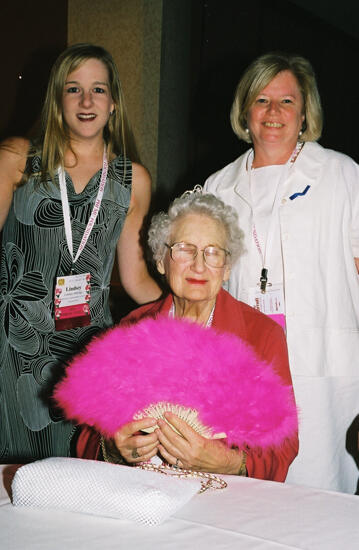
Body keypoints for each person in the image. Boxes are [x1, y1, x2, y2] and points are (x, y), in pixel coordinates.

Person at [203, 52, 359, 493]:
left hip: (324, 361)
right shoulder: (218, 186)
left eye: (286, 101)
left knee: (323, 489)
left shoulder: (342, 174)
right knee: (252, 487)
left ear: (305, 112)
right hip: (247, 362)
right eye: (262, 100)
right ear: (245, 112)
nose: (273, 113)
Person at [0, 43, 161, 463]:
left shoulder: (132, 179)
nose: (87, 101)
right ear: (57, 99)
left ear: (113, 103)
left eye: (99, 90)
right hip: (14, 347)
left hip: (89, 353)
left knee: (80, 478)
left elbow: (134, 277)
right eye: (74, 89)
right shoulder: (18, 159)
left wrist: (193, 311)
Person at [76, 191, 299, 482]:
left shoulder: (261, 335)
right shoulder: (133, 327)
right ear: (160, 260)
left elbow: (283, 448)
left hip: (221, 500)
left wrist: (229, 462)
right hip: (142, 491)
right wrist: (114, 448)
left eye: (213, 252)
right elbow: (87, 435)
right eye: (184, 248)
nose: (198, 264)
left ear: (227, 267)